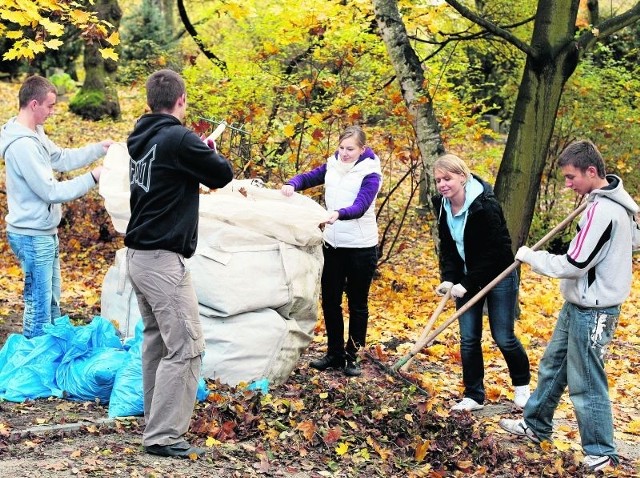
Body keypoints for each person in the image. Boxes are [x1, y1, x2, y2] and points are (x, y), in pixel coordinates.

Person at [499, 140, 640, 472]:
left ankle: (601, 450)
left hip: (594, 311)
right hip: (578, 303)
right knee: (553, 365)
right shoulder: (604, 202)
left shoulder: (605, 210)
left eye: (570, 176)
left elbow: (574, 263)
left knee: (586, 380)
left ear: (591, 172)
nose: (567, 184)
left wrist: (531, 257)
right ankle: (536, 425)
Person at [124, 69, 233, 458]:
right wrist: (207, 151)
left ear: (151, 101)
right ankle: (164, 435)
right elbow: (222, 174)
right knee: (187, 346)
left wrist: (193, 153)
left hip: (138, 255)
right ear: (181, 100)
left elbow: (172, 172)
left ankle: (156, 421)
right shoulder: (178, 137)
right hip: (161, 259)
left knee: (157, 340)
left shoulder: (142, 137)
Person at [0, 75, 112, 339]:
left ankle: (47, 359)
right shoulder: (22, 146)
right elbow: (50, 191)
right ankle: (32, 366)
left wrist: (99, 148)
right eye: (50, 106)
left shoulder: (35, 133)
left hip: (44, 231)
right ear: (34, 104)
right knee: (39, 308)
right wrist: (92, 178)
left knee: (51, 303)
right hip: (31, 235)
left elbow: (60, 158)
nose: (52, 112)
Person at [432, 154, 531, 411]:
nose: (442, 184)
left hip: (498, 275)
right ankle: (474, 396)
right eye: (438, 180)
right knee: (468, 338)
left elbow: (498, 251)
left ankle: (522, 390)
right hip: (466, 278)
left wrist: (466, 282)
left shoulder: (485, 205)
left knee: (504, 337)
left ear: (462, 177)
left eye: (448, 178)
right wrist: (450, 278)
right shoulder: (442, 205)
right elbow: (449, 248)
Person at [281, 125, 381, 377]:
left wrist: (339, 213)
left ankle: (353, 356)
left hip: (361, 247)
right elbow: (309, 177)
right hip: (333, 245)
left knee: (357, 304)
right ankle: (334, 353)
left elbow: (360, 205)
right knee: (331, 301)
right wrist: (292, 184)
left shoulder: (370, 173)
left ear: (362, 149)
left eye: (350, 149)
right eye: (342, 148)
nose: (345, 153)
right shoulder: (332, 165)